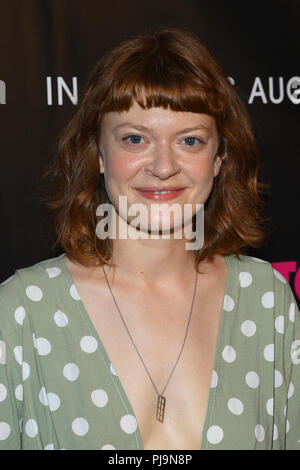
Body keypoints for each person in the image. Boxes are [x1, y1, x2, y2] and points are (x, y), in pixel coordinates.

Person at [0, 27, 299, 451]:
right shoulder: (20, 314)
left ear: (219, 159)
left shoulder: (268, 300)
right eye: (135, 139)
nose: (162, 166)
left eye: (190, 140)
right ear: (99, 154)